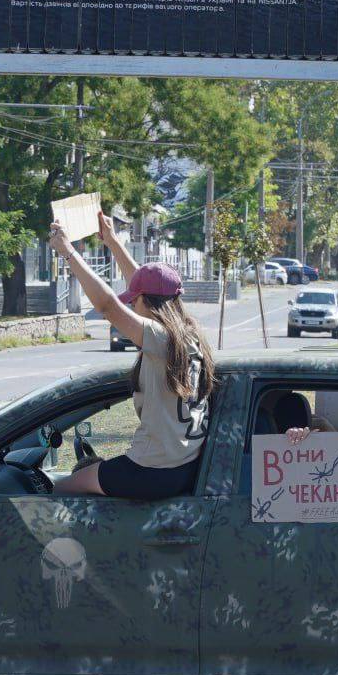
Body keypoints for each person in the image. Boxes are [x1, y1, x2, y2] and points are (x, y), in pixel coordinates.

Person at [47, 211, 214, 499]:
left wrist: (68, 252)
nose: (132, 306)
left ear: (146, 303)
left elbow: (108, 306)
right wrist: (112, 241)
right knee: (89, 474)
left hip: (152, 469)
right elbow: (145, 283)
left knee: (58, 489)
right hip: (182, 465)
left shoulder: (160, 337)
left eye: (135, 301)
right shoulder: (188, 335)